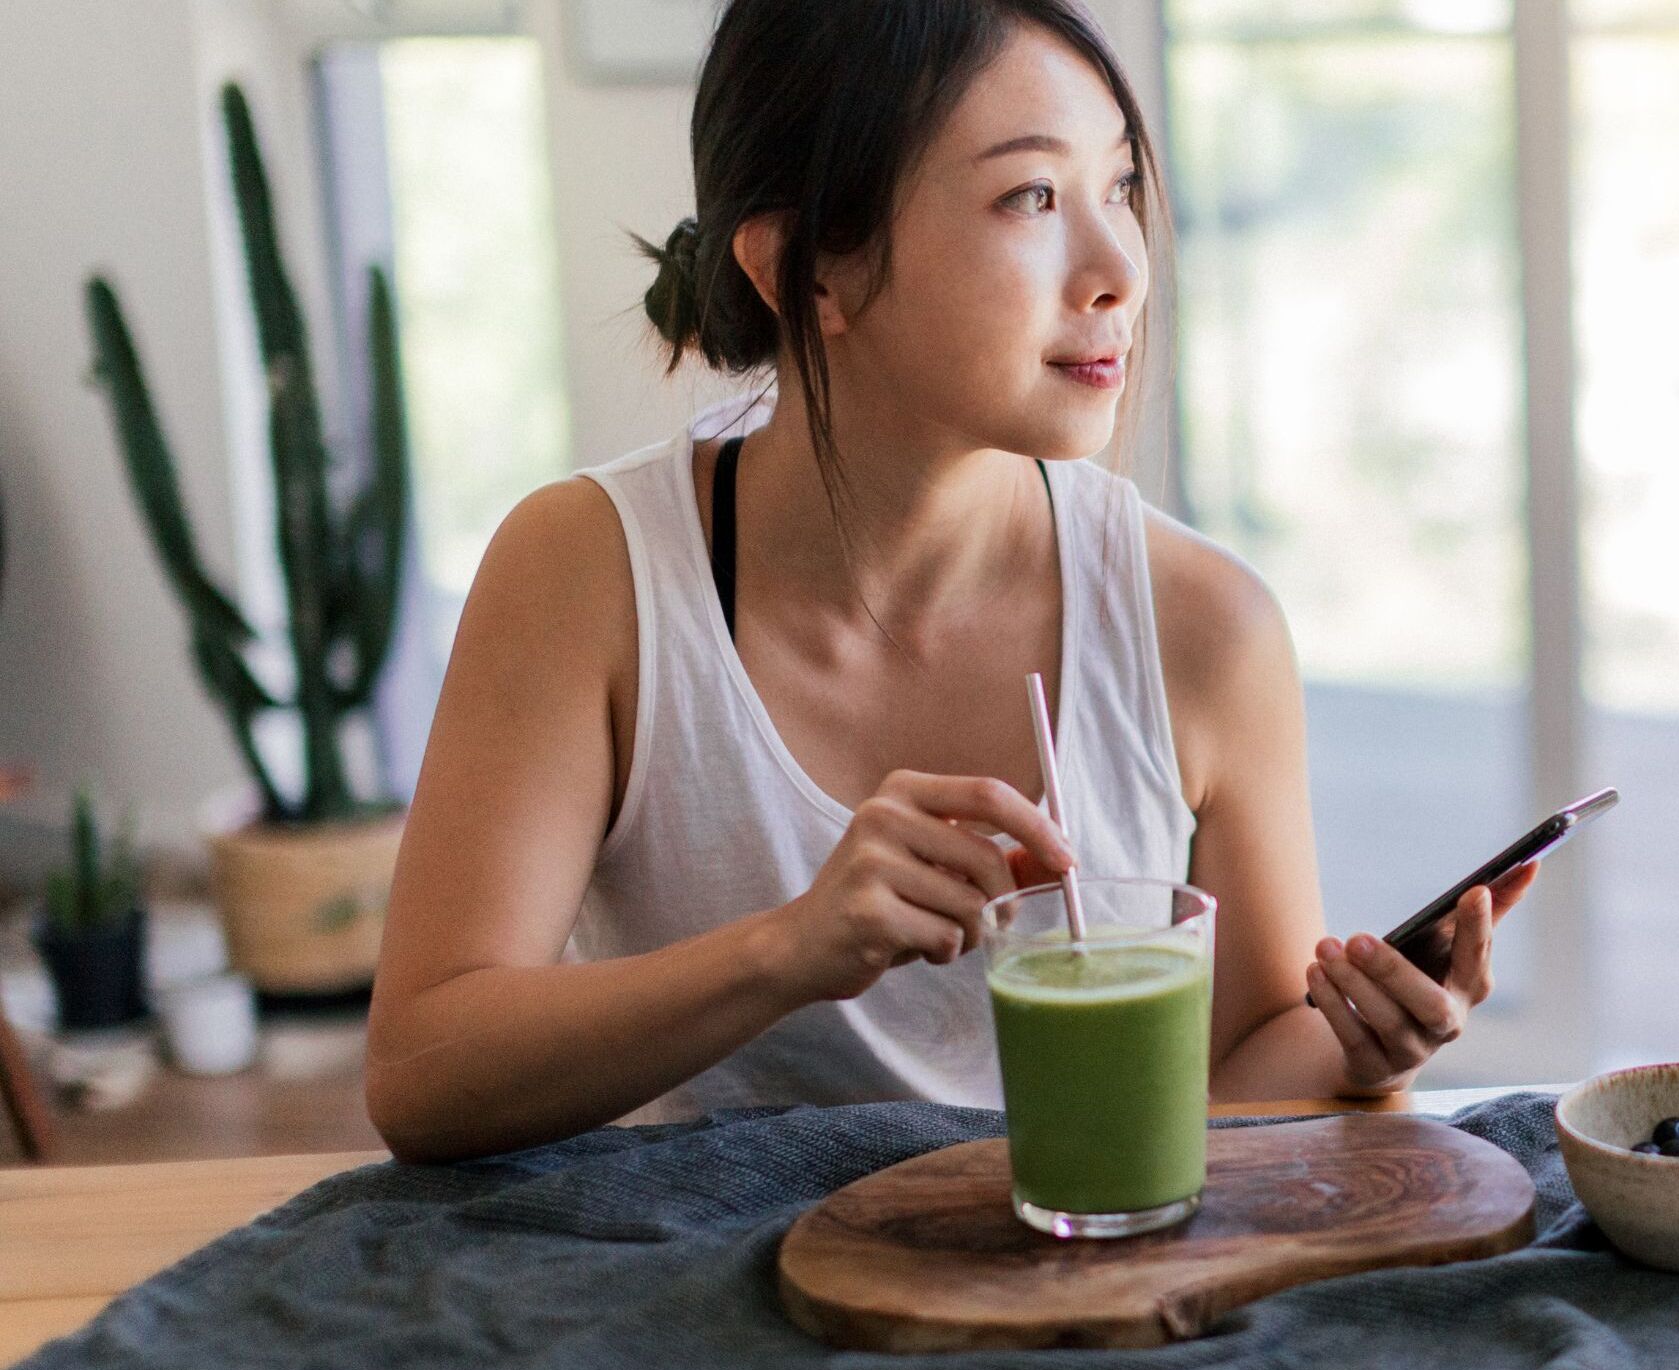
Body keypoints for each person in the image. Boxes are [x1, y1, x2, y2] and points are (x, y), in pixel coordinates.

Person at [361, 0, 1531, 1164]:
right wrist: (788, 947)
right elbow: (421, 1073)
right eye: (1030, 197)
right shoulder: (591, 573)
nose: (1118, 266)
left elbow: (1222, 1088)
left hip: (1082, 1290)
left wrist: (1357, 1050)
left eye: (1118, 186)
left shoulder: (1206, 626)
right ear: (808, 270)